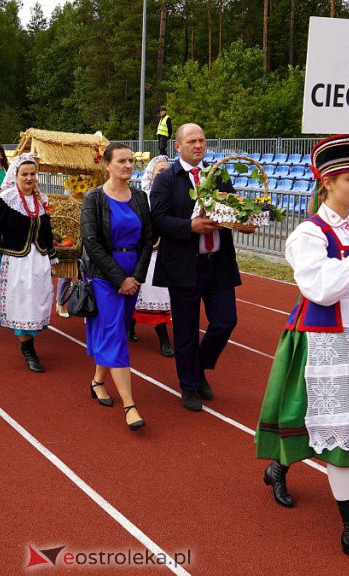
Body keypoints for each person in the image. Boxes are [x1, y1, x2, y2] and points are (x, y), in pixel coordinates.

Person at [254, 134, 349, 573]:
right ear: (327, 182)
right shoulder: (307, 234)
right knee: (338, 426)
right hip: (319, 340)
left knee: (324, 418)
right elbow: (318, 288)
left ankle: (279, 467)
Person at [149, 123, 240, 412]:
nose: (198, 145)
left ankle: (198, 368)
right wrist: (190, 226)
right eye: (191, 141)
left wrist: (242, 221)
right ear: (178, 146)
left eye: (201, 140)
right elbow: (158, 219)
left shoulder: (218, 176)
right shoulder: (167, 179)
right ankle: (189, 385)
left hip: (219, 263)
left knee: (226, 321)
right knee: (186, 330)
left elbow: (233, 210)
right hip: (184, 266)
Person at [80, 143, 154, 430]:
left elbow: (148, 240)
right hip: (104, 276)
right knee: (115, 335)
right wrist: (119, 278)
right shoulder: (94, 199)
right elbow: (92, 242)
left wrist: (135, 276)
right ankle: (130, 406)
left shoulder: (140, 197)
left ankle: (98, 381)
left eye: (131, 160)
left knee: (117, 330)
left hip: (132, 275)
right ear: (107, 164)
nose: (128, 165)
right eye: (121, 160)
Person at [0, 154, 57, 372]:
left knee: (38, 300)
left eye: (33, 174)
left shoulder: (41, 201)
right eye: (25, 174)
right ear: (16, 175)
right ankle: (28, 349)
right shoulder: (6, 199)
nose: (29, 178)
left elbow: (46, 232)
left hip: (38, 260)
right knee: (22, 303)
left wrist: (52, 256)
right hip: (15, 260)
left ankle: (29, 340)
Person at [133, 154, 174, 357]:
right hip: (146, 254)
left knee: (158, 295)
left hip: (167, 254)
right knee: (145, 293)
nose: (165, 175)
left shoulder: (173, 196)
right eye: (160, 171)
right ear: (151, 175)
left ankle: (160, 338)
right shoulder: (142, 198)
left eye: (167, 171)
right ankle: (163, 340)